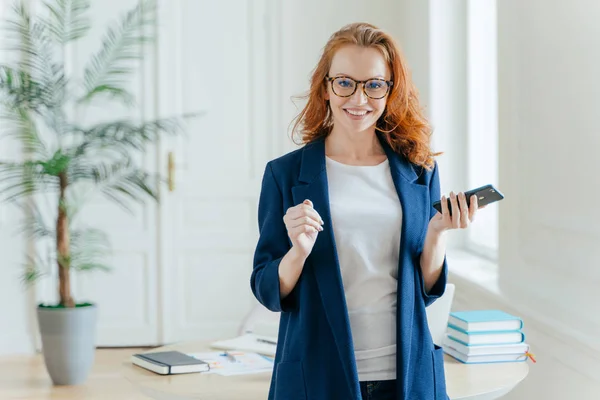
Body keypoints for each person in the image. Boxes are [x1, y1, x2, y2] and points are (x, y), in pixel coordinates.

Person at [250, 22, 481, 400]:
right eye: (345, 82)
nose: (359, 99)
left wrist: (437, 232)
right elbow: (267, 288)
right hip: (319, 372)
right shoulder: (286, 174)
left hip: (406, 371)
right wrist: (298, 251)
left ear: (391, 90)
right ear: (325, 88)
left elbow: (426, 290)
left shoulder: (419, 171)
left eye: (374, 84)